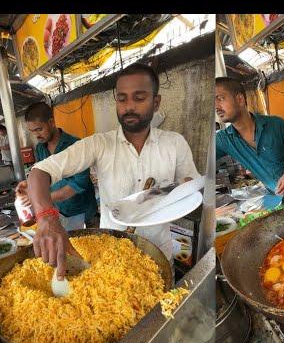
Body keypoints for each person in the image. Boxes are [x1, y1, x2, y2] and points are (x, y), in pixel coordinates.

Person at [27, 63, 200, 275]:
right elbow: (39, 172)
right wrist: (47, 218)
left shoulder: (175, 143)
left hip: (160, 255)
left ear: (156, 102)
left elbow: (190, 189)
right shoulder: (99, 144)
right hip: (114, 260)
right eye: (122, 98)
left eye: (139, 98)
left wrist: (171, 191)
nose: (129, 106)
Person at [215, 77, 284, 203]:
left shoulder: (276, 125)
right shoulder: (224, 140)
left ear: (240, 99)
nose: (216, 107)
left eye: (220, 99)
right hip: (278, 201)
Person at [15, 102, 98, 231]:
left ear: (51, 122)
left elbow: (77, 186)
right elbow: (46, 175)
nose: (36, 135)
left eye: (39, 129)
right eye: (32, 131)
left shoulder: (76, 145)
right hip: (59, 211)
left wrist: (39, 197)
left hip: (83, 212)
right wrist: (31, 185)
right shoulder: (40, 148)